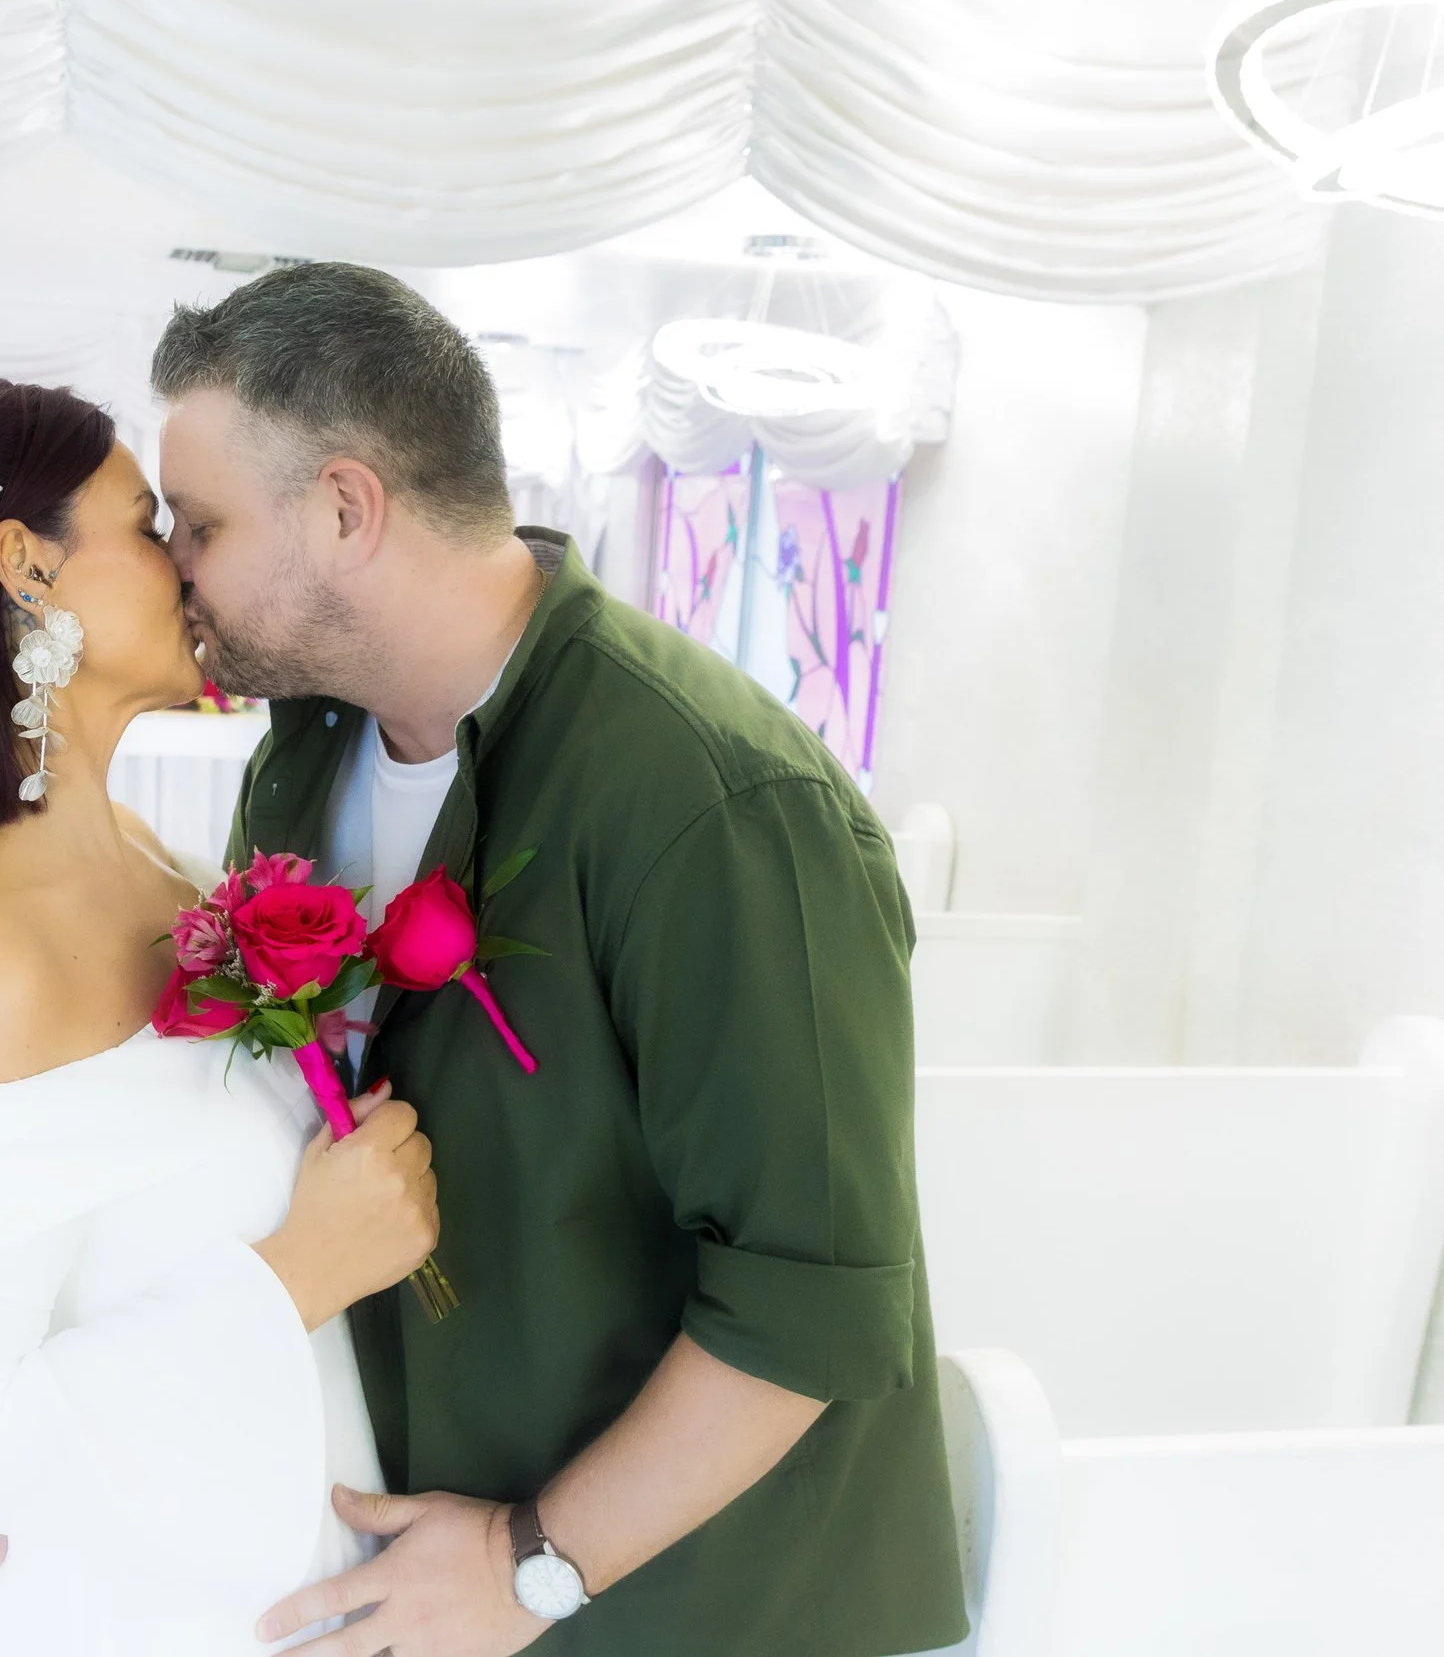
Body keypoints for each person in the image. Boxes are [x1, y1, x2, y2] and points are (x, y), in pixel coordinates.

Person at [154, 262, 970, 1656]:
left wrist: (528, 1565)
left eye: (201, 523)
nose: (175, 569)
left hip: (694, 1602)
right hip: (426, 1546)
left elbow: (812, 1303)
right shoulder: (298, 765)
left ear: (347, 508)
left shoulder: (712, 798)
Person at [0, 374, 440, 1655]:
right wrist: (300, 1269)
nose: (190, 567)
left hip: (282, 1544)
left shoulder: (157, 860)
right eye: (151, 527)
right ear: (26, 568)